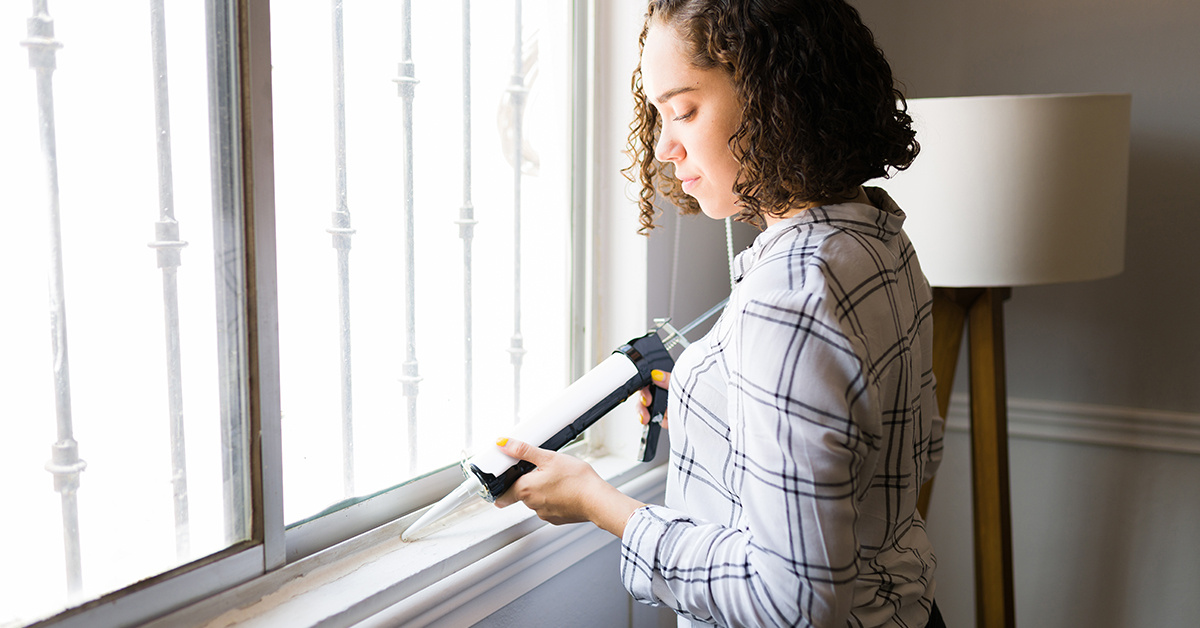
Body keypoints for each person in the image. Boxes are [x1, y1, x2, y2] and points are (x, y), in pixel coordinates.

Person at [494, 1, 945, 626]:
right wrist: (722, 414)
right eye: (656, 115)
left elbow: (794, 603)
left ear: (776, 95)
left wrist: (601, 504)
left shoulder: (788, 296)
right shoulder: (878, 236)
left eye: (683, 110)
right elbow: (901, 450)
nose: (662, 148)